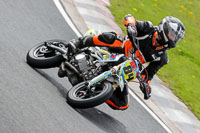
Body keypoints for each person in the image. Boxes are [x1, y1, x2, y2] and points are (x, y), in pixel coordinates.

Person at [60, 15, 185, 110]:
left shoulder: (162, 58)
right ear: (165, 29)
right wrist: (131, 26)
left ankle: (94, 92)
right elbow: (129, 18)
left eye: (176, 37)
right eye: (173, 35)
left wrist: (145, 85)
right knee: (111, 38)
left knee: (122, 104)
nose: (174, 39)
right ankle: (79, 43)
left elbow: (148, 74)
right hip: (118, 50)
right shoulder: (148, 29)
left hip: (126, 69)